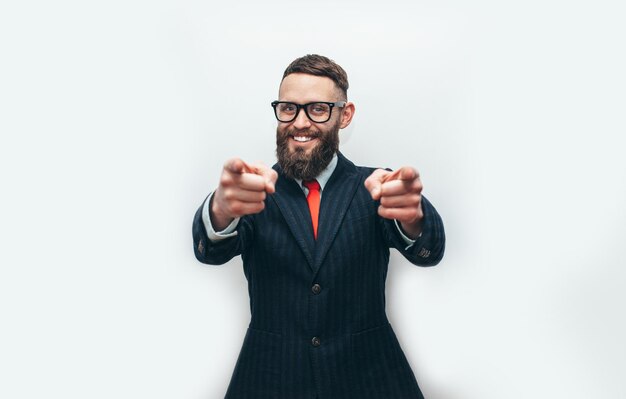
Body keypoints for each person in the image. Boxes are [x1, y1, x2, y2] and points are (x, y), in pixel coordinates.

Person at [192, 54, 445, 399]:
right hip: (270, 378)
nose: (300, 122)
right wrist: (219, 210)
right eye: (288, 108)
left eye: (318, 109)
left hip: (370, 378)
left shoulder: (378, 186)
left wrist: (413, 218)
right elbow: (210, 251)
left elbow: (429, 252)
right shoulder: (250, 190)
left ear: (345, 114)